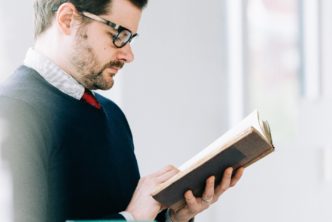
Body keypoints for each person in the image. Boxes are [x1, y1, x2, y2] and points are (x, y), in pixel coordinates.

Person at [0, 0, 244, 221]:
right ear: (67, 19)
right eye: (118, 35)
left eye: (130, 39)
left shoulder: (111, 114)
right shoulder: (10, 111)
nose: (128, 55)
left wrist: (172, 217)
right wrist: (132, 217)